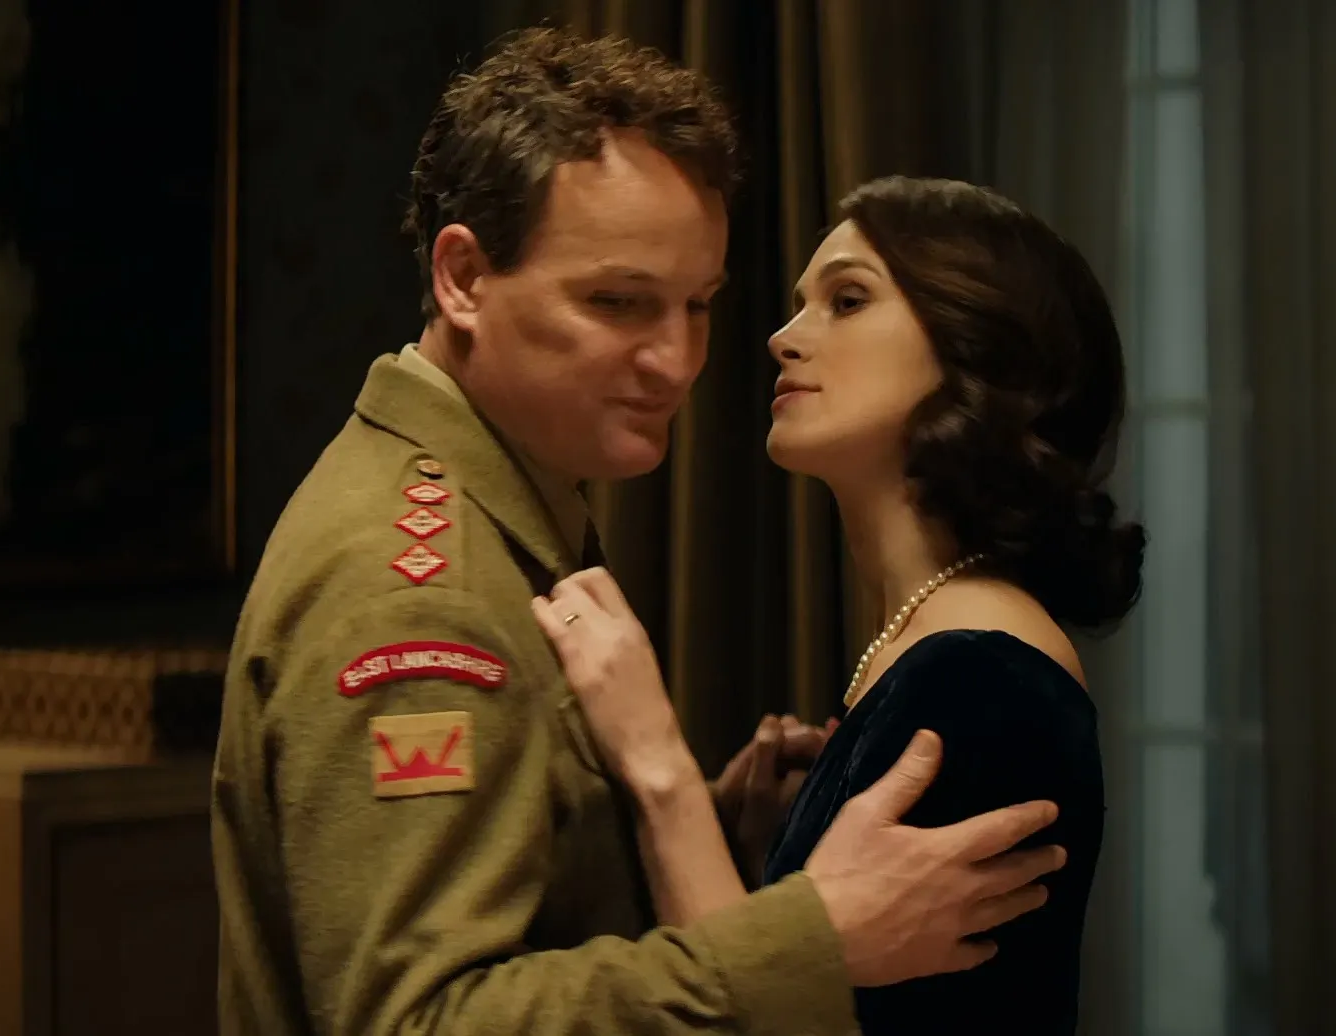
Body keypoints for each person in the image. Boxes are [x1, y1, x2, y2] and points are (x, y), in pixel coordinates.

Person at [209, 30, 1073, 1036]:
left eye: (697, 306)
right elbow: (418, 1021)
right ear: (464, 278)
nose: (676, 361)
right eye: (618, 302)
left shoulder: (507, 503)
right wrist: (806, 935)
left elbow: (525, 884)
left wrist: (698, 824)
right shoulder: (421, 593)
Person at [534, 176, 1145, 1035]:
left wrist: (655, 762)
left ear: (975, 348)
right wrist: (770, 862)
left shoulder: (982, 679)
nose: (784, 337)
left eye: (848, 300)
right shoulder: (927, 643)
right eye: (799, 305)